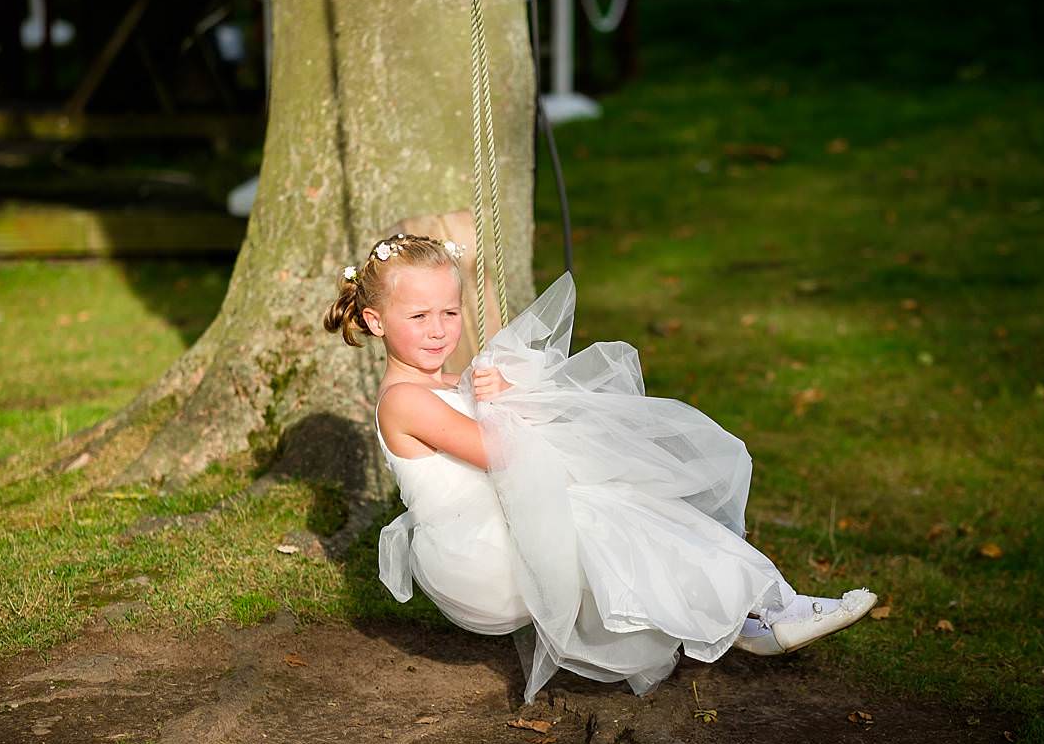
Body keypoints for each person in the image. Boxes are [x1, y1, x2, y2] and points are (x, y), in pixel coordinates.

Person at [332, 228, 875, 694]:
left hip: (500, 529)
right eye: (419, 315)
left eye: (450, 312)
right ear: (377, 322)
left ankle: (755, 612)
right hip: (475, 558)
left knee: (627, 506)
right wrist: (507, 405)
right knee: (607, 506)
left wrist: (507, 390)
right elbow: (502, 452)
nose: (438, 329)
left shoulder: (449, 383)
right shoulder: (404, 400)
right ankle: (755, 611)